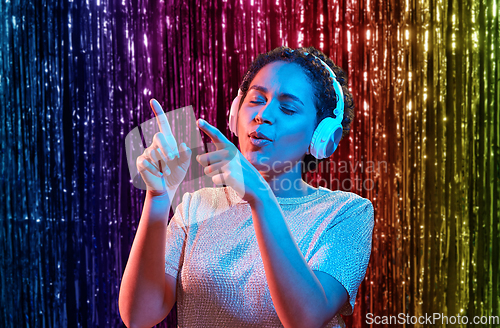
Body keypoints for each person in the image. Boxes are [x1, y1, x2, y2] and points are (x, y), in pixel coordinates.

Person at [119, 46, 375, 328]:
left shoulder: (347, 213)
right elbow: (139, 316)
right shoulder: (196, 206)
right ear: (234, 112)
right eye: (255, 100)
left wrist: (261, 197)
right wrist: (158, 197)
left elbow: (305, 319)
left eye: (288, 108)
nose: (263, 115)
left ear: (321, 136)